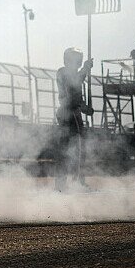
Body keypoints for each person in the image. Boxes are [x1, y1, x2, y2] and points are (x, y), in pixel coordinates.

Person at [55, 47, 93, 191]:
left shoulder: (71, 74)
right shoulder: (64, 72)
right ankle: (76, 182)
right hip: (69, 113)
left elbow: (76, 96)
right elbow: (73, 86)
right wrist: (85, 70)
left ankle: (69, 182)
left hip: (71, 112)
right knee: (77, 148)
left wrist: (85, 108)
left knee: (74, 149)